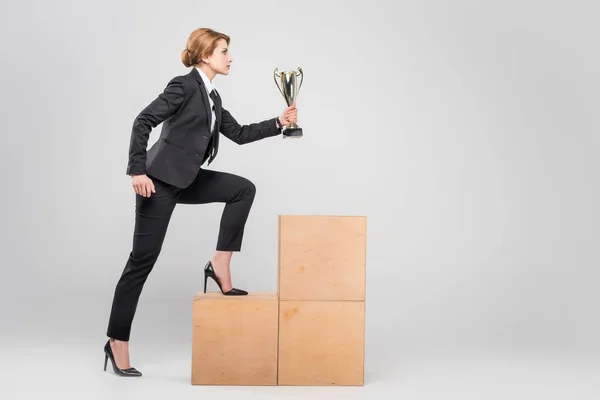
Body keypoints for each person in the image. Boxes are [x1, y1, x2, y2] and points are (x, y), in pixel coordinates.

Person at [103, 27, 298, 377]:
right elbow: (143, 120)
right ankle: (117, 341)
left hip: (187, 180)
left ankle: (219, 264)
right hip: (158, 183)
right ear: (206, 55)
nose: (230, 57)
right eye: (224, 51)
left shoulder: (213, 98)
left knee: (243, 189)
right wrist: (137, 170)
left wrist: (278, 123)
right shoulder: (182, 86)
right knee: (141, 263)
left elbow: (238, 134)